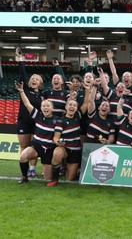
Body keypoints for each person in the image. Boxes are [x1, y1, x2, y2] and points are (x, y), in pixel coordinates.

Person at [15, 82, 58, 183]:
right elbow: (27, 103)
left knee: (48, 179)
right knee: (23, 156)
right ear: (41, 108)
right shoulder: (37, 115)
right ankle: (24, 177)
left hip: (48, 149)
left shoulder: (57, 120)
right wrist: (21, 91)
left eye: (48, 106)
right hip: (36, 146)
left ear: (52, 108)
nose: (46, 108)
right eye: (44, 106)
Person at [47, 88, 89, 186]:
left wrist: (87, 89)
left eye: (74, 105)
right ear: (66, 107)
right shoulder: (60, 121)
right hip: (65, 148)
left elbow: (86, 104)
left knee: (70, 178)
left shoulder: (77, 116)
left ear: (76, 108)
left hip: (75, 150)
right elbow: (56, 138)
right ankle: (54, 179)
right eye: (70, 105)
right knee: (57, 152)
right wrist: (58, 142)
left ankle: (66, 168)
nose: (72, 107)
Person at [15, 47, 44, 177]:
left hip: (36, 123)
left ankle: (32, 168)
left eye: (36, 79)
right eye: (32, 78)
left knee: (34, 147)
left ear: (40, 83)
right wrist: (20, 58)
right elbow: (22, 74)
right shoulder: (25, 89)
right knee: (24, 146)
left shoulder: (43, 95)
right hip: (23, 122)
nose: (34, 80)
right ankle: (25, 170)